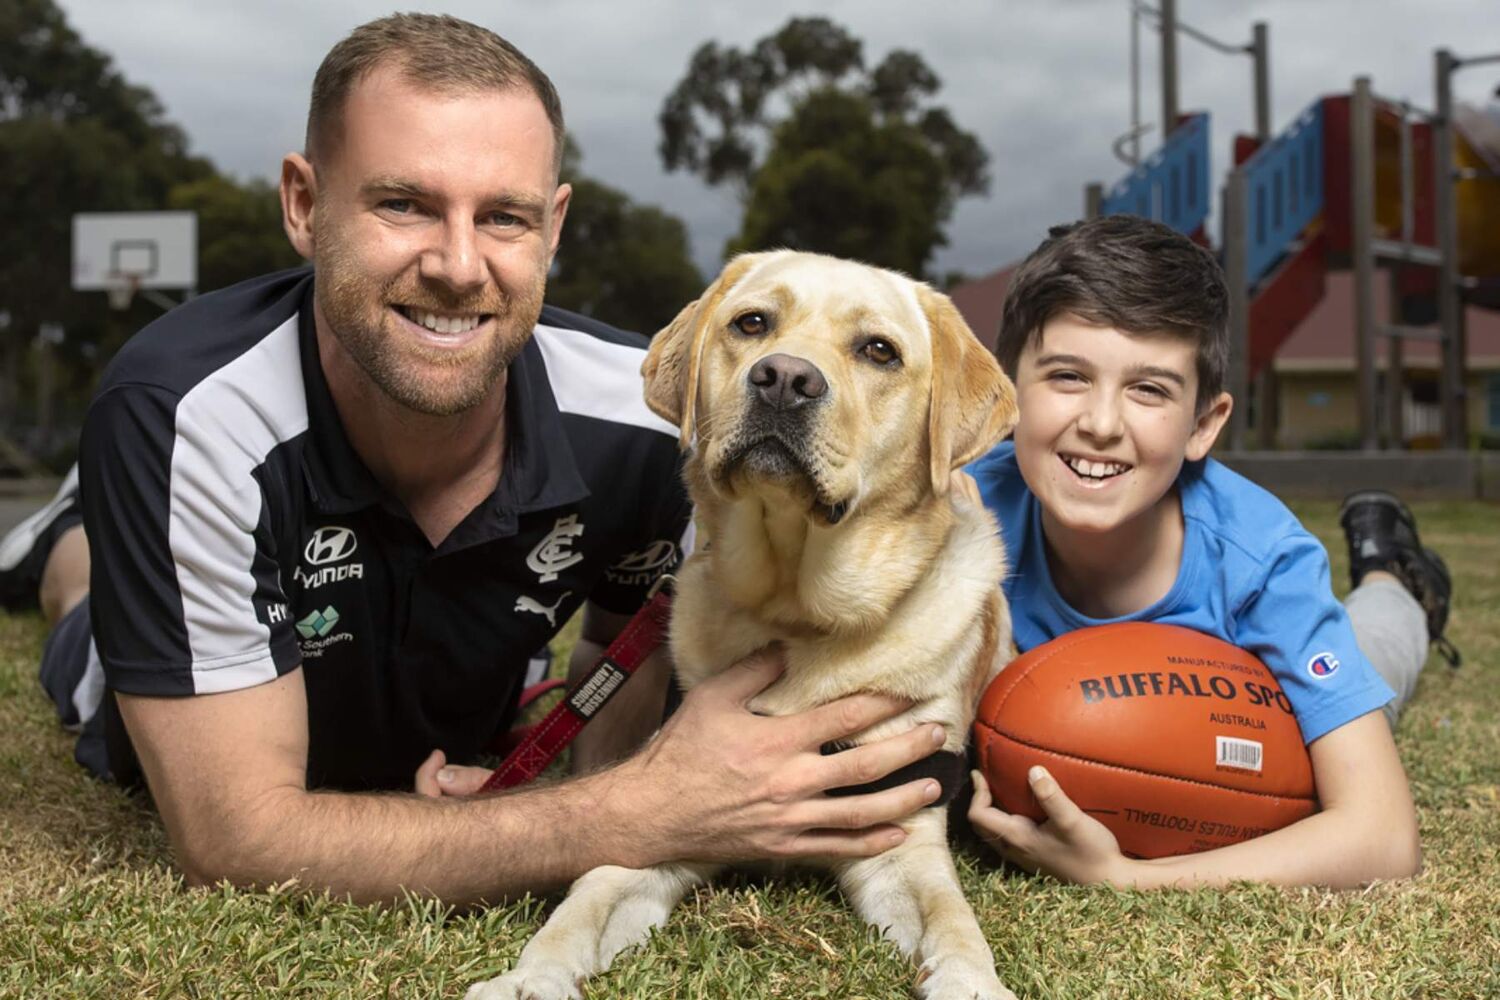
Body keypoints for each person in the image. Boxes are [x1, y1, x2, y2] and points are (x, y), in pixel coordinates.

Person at [0, 14, 951, 904]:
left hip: (453, 693)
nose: (459, 266)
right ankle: (79, 539)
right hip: (172, 641)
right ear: (304, 204)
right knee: (81, 605)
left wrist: (589, 781)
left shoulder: (664, 420)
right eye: (405, 204)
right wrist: (634, 812)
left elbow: (619, 674)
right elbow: (234, 840)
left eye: (503, 217)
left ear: (555, 228)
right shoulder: (188, 418)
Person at [964, 215, 1458, 890]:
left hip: (1266, 694)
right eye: (1068, 376)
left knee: (1375, 649)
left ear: (1203, 425)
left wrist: (1126, 879)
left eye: (1149, 390)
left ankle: (1392, 574)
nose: (1101, 424)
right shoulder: (958, 513)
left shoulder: (1262, 558)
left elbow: (1383, 838)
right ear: (1009, 389)